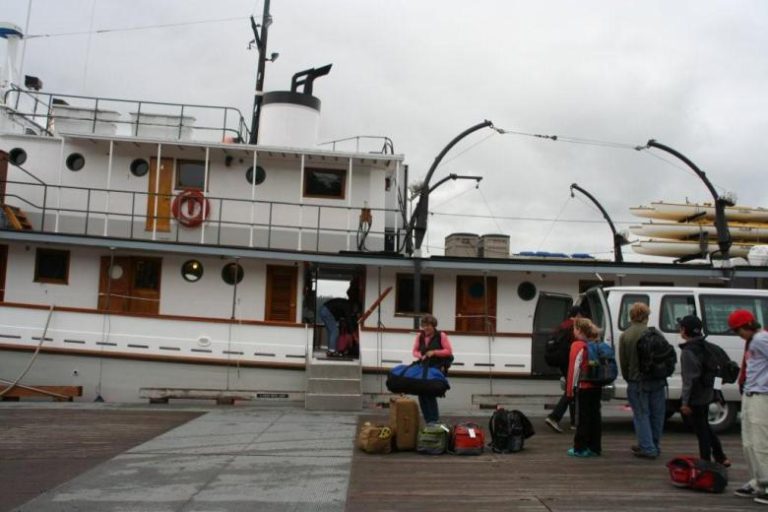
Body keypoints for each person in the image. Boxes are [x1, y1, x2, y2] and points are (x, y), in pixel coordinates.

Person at [678, 315, 730, 467]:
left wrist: (685, 402)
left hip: (696, 396)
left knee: (701, 431)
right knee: (705, 426)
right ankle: (720, 457)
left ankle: (706, 463)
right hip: (708, 393)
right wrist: (716, 392)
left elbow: (689, 380)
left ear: (685, 331)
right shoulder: (707, 346)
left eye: (681, 328)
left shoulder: (688, 351)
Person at [728, 309, 768, 505]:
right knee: (749, 443)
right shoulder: (753, 341)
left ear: (748, 325)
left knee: (760, 442)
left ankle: (766, 482)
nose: (739, 334)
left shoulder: (761, 339)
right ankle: (758, 481)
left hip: (762, 395)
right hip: (751, 394)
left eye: (738, 330)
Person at [619, 302, 667, 460]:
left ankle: (647, 448)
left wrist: (629, 378)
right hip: (657, 380)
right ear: (646, 316)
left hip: (637, 381)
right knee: (657, 415)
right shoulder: (656, 334)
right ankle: (654, 444)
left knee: (641, 415)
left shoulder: (626, 335)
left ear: (631, 316)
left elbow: (624, 362)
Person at [565, 317, 603, 457]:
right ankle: (595, 447)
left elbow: (574, 369)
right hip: (596, 385)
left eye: (574, 328)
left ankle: (580, 448)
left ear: (579, 330)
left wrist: (570, 390)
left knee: (582, 418)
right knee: (595, 416)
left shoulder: (577, 345)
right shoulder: (596, 343)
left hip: (584, 386)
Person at [545, 305, 582, 433]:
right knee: (571, 389)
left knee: (573, 389)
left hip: (560, 360)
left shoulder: (563, 325)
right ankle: (554, 417)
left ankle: (574, 422)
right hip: (570, 361)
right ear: (577, 315)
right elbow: (577, 344)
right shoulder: (574, 326)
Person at [411, 314, 454, 423]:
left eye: (428, 326)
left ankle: (433, 420)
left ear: (433, 326)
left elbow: (448, 351)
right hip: (423, 367)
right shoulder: (419, 336)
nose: (426, 328)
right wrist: (421, 355)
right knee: (421, 393)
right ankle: (428, 420)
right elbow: (414, 352)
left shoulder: (441, 335)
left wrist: (434, 352)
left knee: (429, 393)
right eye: (424, 326)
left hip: (435, 368)